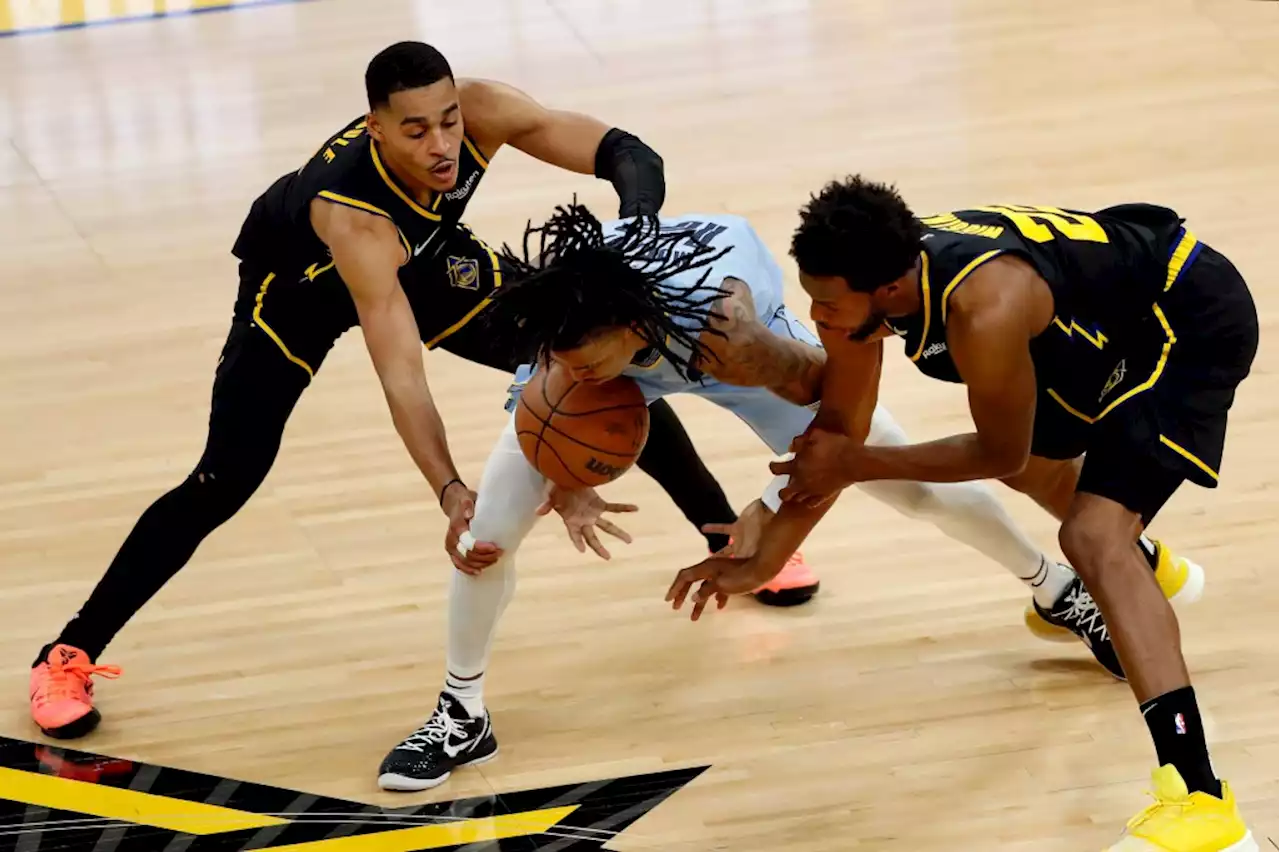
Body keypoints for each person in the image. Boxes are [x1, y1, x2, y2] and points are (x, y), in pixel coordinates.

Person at [25, 39, 805, 742]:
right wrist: (449, 488)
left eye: (448, 122)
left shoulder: (480, 113)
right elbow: (401, 372)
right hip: (299, 292)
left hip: (426, 262)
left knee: (592, 372)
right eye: (415, 130)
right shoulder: (356, 220)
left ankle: (723, 540)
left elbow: (624, 150)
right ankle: (68, 651)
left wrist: (636, 224)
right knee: (225, 478)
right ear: (375, 130)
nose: (441, 146)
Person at [375, 201, 1146, 792]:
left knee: (908, 486)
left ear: (628, 325)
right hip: (638, 339)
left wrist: (773, 461)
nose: (573, 376)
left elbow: (822, 381)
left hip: (738, 353)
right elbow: (554, 382)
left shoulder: (719, 308)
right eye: (564, 365)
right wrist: (568, 483)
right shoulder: (571, 335)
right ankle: (461, 710)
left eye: (584, 364)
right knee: (488, 535)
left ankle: (1056, 591)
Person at [668, 178, 1258, 850]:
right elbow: (840, 434)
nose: (817, 319)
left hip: (1184, 319)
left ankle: (1203, 803)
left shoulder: (984, 308)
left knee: (1092, 534)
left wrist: (855, 465)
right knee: (1051, 470)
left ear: (887, 290)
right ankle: (1143, 568)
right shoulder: (874, 293)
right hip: (1095, 320)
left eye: (827, 306)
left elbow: (992, 456)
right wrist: (764, 560)